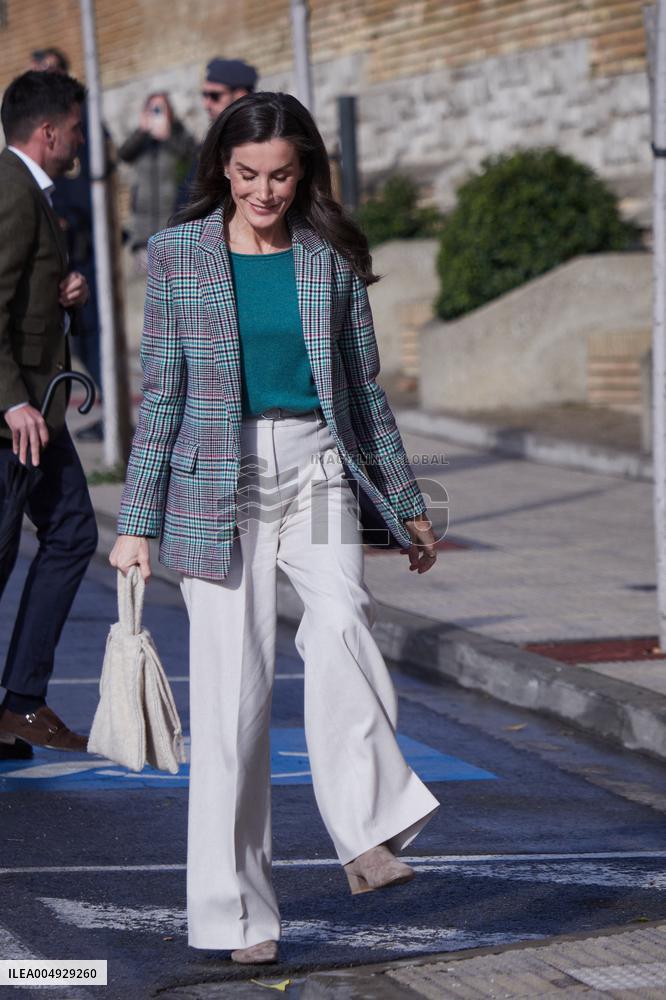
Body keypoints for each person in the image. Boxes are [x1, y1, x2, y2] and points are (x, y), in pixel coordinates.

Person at [110, 92, 440, 963]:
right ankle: (237, 916)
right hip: (216, 481)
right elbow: (165, 394)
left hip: (317, 466)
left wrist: (407, 505)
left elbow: (365, 392)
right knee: (234, 705)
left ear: (305, 172)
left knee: (343, 622)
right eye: (250, 174)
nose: (266, 191)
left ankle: (366, 829)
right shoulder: (177, 254)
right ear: (223, 164)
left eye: (283, 175)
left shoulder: (325, 256)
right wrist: (136, 520)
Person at [0, 71, 98, 758]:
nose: (80, 141)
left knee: (69, 533)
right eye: (76, 127)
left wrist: (64, 292)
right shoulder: (9, 190)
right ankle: (19, 706)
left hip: (39, 408)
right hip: (16, 411)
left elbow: (21, 291)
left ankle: (21, 704)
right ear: (49, 131)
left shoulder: (30, 190)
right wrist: (10, 400)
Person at [30, 46, 108, 443]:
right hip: (61, 252)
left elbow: (91, 185)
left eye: (51, 71)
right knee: (77, 339)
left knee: (94, 335)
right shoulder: (36, 130)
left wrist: (65, 217)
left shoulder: (82, 125)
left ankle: (112, 417)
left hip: (86, 248)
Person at [118, 92, 197, 274]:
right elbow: (123, 154)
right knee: (148, 290)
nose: (156, 113)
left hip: (171, 222)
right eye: (151, 109)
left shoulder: (178, 133)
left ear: (169, 111)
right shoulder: (142, 139)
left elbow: (192, 155)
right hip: (143, 229)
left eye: (160, 108)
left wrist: (168, 137)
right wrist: (141, 130)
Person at [174, 57, 258, 211]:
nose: (206, 104)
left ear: (240, 94)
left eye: (215, 96)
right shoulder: (214, 137)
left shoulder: (255, 139)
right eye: (204, 95)